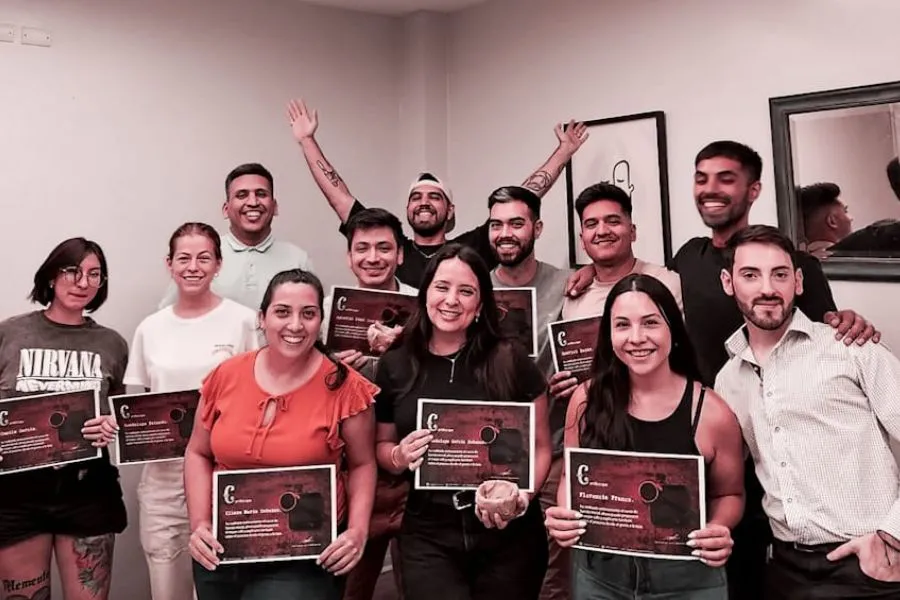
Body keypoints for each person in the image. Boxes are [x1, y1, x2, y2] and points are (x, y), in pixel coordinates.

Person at [667, 140, 879, 600]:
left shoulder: (798, 266)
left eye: (726, 178)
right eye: (702, 178)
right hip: (728, 454)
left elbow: (830, 333)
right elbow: (650, 302)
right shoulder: (687, 257)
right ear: (730, 282)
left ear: (753, 188)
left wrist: (853, 324)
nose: (710, 188)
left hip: (809, 491)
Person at [715, 225, 900, 598]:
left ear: (798, 282)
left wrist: (894, 535)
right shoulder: (728, 380)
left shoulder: (850, 348)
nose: (767, 288)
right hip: (784, 571)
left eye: (780, 274)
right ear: (728, 282)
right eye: (750, 275)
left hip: (869, 568)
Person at [544, 273, 744, 599]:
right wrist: (566, 514)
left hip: (687, 577)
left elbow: (730, 494)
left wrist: (718, 528)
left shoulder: (712, 412)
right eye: (622, 325)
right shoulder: (585, 399)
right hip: (600, 575)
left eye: (650, 323)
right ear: (608, 335)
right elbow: (572, 472)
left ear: (673, 330)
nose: (636, 337)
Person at [184, 269, 378, 600]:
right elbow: (198, 453)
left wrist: (358, 531)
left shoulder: (347, 388)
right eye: (282, 312)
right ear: (262, 318)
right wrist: (199, 523)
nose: (295, 325)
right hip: (222, 548)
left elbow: (362, 464)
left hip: (304, 554)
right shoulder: (225, 375)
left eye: (308, 313)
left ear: (321, 322)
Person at [373, 244, 552, 599]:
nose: (451, 300)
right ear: (425, 294)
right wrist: (398, 457)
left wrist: (522, 498)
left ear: (481, 305)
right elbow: (380, 446)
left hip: (508, 532)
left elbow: (541, 447)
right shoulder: (396, 363)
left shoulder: (510, 359)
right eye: (442, 287)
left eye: (466, 291)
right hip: (428, 532)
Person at [286, 98, 587, 288]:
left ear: (450, 210)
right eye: (416, 197)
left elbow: (522, 198)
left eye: (434, 196)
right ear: (407, 210)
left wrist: (563, 152)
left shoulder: (470, 249)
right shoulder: (393, 249)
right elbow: (340, 198)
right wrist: (307, 141)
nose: (424, 202)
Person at [124, 223, 259, 600]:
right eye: (183, 258)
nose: (193, 266)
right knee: (167, 590)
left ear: (219, 264)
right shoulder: (150, 329)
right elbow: (142, 409)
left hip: (225, 478)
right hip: (164, 483)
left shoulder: (244, 321)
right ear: (169, 264)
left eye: (204, 258)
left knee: (220, 590)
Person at [0, 237, 129, 600]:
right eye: (72, 271)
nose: (82, 282)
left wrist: (111, 429)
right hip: (17, 491)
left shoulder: (112, 344)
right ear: (52, 276)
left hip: (88, 488)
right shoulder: (9, 334)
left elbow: (120, 419)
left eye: (94, 274)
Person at [320, 207, 415, 600]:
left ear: (400, 255)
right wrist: (329, 368)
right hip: (352, 464)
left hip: (410, 456)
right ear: (348, 256)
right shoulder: (326, 309)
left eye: (383, 248)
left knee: (422, 579)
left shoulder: (425, 304)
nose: (373, 257)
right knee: (351, 583)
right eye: (362, 249)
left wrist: (404, 349)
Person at [484, 185, 570, 600]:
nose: (505, 233)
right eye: (496, 224)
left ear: (536, 228)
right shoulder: (472, 289)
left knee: (556, 570)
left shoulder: (570, 283)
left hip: (551, 446)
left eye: (516, 223)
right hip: (488, 450)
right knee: (499, 560)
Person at [160, 163, 313, 310]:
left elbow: (313, 319)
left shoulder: (298, 259)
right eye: (242, 195)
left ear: (274, 207)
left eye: (261, 194)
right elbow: (169, 316)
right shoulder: (202, 256)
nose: (253, 202)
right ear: (226, 209)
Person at [798, 182, 853, 259]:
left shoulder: (801, 262)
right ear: (832, 221)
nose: (851, 218)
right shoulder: (846, 260)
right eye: (845, 211)